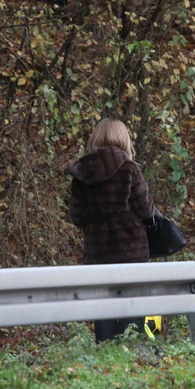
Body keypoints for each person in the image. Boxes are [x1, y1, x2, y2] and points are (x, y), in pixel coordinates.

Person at [67, 118, 155, 342]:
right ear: (124, 138)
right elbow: (146, 209)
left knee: (103, 308)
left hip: (98, 251)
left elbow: (77, 216)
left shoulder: (81, 173)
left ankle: (105, 351)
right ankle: (132, 350)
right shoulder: (129, 168)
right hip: (131, 250)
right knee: (133, 305)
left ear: (96, 138)